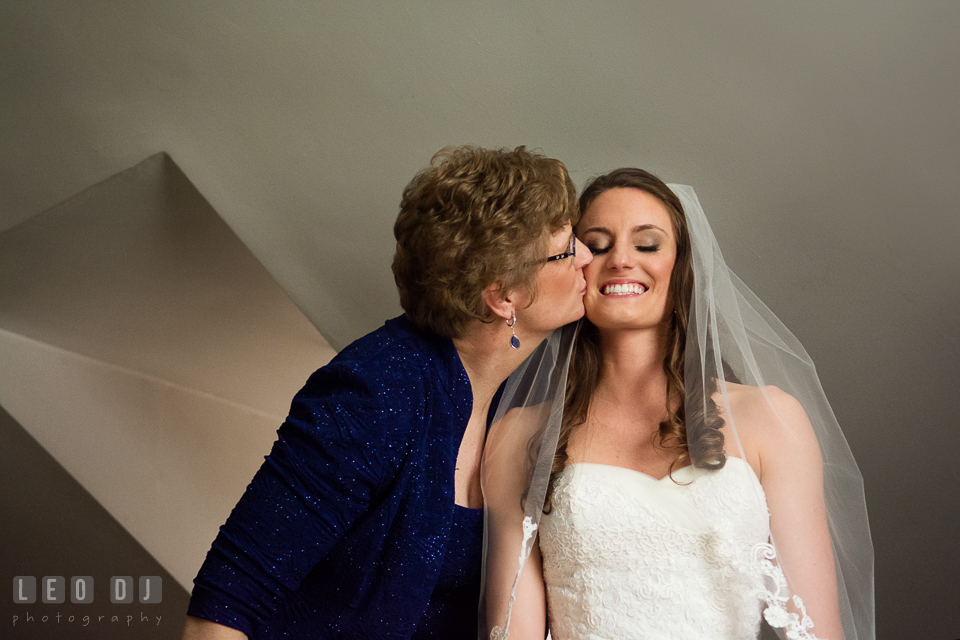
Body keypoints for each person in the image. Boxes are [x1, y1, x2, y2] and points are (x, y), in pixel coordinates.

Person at [180, 145, 593, 640]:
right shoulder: (377, 388)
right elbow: (221, 610)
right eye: (568, 249)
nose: (588, 258)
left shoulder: (517, 402)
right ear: (503, 295)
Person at [481, 169, 874, 640]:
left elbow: (816, 631)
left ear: (683, 266)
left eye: (647, 244)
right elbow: (512, 633)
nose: (622, 260)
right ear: (574, 265)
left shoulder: (770, 420)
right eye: (599, 245)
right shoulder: (518, 435)